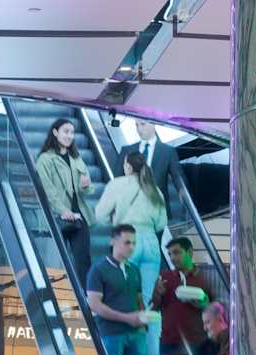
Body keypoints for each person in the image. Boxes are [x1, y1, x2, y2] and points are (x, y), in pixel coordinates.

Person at [84, 225, 153, 355]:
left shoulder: (134, 269)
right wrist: (127, 318)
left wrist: (143, 319)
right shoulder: (98, 269)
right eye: (127, 242)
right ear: (113, 241)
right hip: (111, 333)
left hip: (137, 333)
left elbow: (137, 299)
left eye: (134, 243)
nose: (131, 247)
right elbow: (94, 304)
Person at [93, 147, 170, 297]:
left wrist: (114, 220)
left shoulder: (117, 185)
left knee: (126, 294)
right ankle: (153, 321)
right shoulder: (154, 190)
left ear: (128, 166)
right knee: (150, 296)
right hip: (150, 242)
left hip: (127, 240)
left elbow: (100, 215)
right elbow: (162, 223)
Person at [34, 117, 93, 279]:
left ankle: (87, 298)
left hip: (79, 218)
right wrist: (63, 210)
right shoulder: (45, 160)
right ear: (55, 132)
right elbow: (49, 191)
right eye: (66, 132)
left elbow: (88, 190)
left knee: (83, 261)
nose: (69, 136)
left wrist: (85, 185)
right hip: (58, 219)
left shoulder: (76, 157)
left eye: (72, 133)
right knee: (57, 263)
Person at [151, 237, 214, 355]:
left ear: (190, 252)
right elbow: (155, 307)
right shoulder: (164, 277)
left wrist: (204, 304)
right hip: (168, 342)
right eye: (170, 254)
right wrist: (158, 294)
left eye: (176, 252)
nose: (172, 258)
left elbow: (215, 310)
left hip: (196, 342)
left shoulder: (204, 278)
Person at [131, 118, 182, 204]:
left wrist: (182, 192)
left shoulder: (168, 151)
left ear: (153, 124)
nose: (139, 129)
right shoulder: (127, 151)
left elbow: (178, 177)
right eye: (136, 125)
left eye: (143, 124)